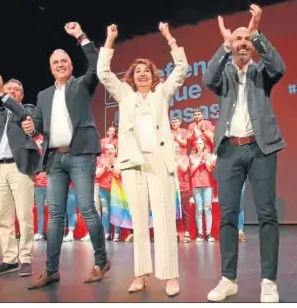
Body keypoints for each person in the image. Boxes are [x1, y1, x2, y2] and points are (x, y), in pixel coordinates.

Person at [96, 22, 187, 296]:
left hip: (159, 163)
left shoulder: (162, 92)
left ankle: (170, 276)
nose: (142, 75)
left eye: (146, 71)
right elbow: (103, 73)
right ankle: (140, 274)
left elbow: (181, 69)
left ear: (154, 76)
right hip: (134, 165)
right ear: (132, 78)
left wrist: (170, 38)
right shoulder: (124, 95)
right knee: (138, 221)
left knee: (164, 220)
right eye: (138, 72)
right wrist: (110, 41)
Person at [202, 5, 286, 303]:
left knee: (266, 213)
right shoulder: (223, 74)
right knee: (226, 215)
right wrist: (224, 44)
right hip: (229, 151)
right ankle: (228, 279)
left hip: (261, 148)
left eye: (246, 40)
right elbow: (207, 78)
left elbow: (280, 67)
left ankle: (268, 281)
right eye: (237, 40)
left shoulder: (262, 72)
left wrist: (257, 32)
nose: (242, 43)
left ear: (252, 45)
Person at [19, 22, 110, 289]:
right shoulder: (43, 95)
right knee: (55, 215)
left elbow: (96, 65)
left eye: (64, 60)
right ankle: (51, 270)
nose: (60, 64)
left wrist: (80, 37)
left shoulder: (82, 84)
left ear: (71, 65)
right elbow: (35, 123)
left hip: (81, 155)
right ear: (50, 68)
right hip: (55, 160)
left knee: (87, 208)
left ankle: (101, 260)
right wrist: (30, 126)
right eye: (55, 62)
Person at [0, 76, 40, 277]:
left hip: (19, 167)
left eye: (15, 89)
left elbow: (24, 116)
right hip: (0, 169)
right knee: (3, 218)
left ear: (21, 94)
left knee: (24, 215)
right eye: (8, 89)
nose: (11, 91)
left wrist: (3, 94)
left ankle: (26, 258)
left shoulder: (28, 109)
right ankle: (9, 259)